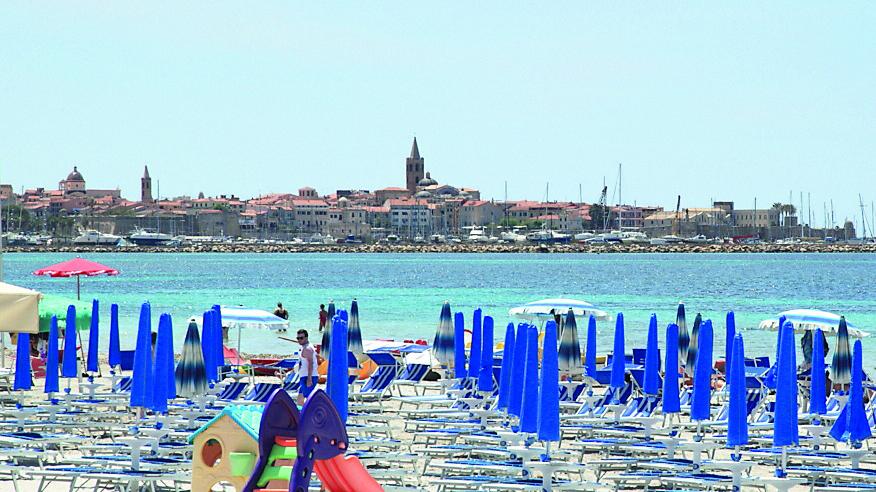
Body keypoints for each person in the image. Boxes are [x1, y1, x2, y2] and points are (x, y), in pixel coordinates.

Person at [296, 329, 318, 405]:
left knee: (309, 400)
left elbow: (310, 364)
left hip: (308, 377)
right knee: (300, 400)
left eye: (301, 338)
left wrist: (309, 378)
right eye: (298, 338)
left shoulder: (307, 349)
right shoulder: (305, 347)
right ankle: (301, 415)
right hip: (304, 376)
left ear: (306, 338)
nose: (299, 340)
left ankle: (311, 415)